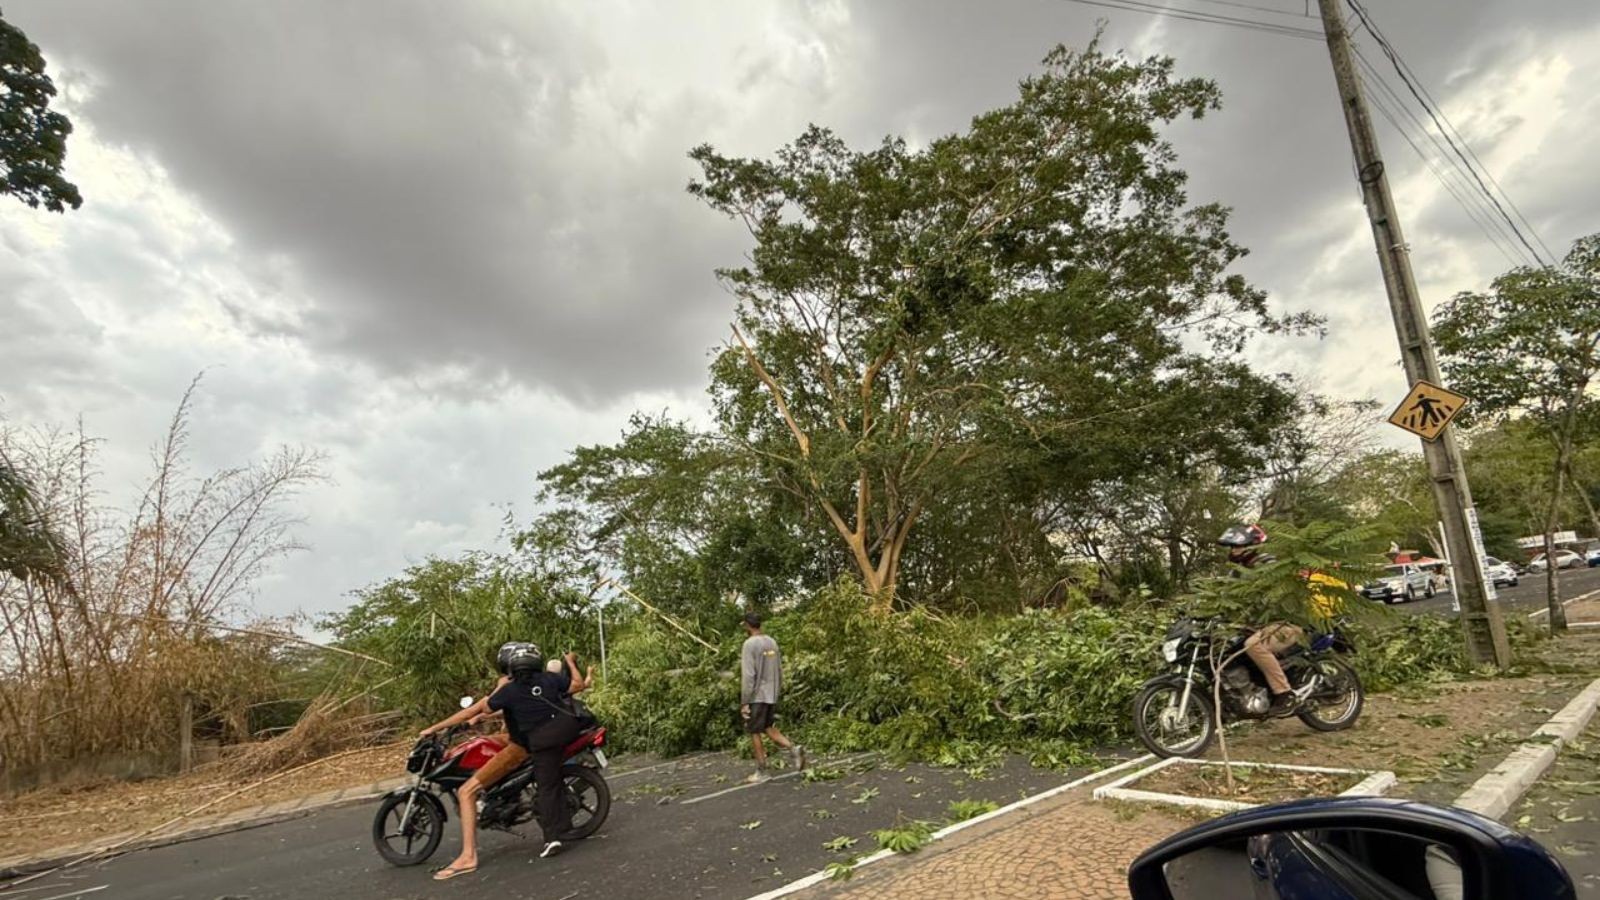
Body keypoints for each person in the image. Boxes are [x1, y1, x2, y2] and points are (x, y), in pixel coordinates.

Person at [425, 642, 583, 880]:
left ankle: (469, 855)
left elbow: (477, 708)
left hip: (527, 745)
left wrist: (432, 729)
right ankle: (501, 797)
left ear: (509, 666)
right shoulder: (545, 679)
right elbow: (574, 687)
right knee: (484, 743)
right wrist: (477, 718)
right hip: (539, 735)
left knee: (467, 791)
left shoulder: (507, 688)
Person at [1217, 524, 1302, 718]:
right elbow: (1224, 595)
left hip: (1286, 623)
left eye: (1238, 546)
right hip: (1261, 625)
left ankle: (1285, 694)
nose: (1234, 550)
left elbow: (1269, 597)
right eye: (1231, 547)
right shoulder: (1236, 571)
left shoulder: (1268, 565)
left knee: (1253, 645)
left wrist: (1249, 609)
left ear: (1253, 546)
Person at [740, 612, 805, 782]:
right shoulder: (771, 642)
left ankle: (762, 770)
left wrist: (745, 701)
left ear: (747, 625)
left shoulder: (749, 644)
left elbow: (748, 675)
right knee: (768, 726)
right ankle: (793, 748)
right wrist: (777, 689)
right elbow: (779, 669)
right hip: (771, 693)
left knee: (754, 731)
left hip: (757, 695)